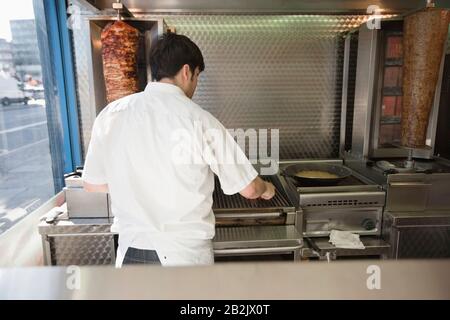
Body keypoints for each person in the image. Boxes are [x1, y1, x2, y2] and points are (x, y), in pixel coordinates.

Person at [82, 33, 275, 267]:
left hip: (130, 254)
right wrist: (267, 188)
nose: (195, 84)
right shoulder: (200, 120)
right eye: (196, 77)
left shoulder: (111, 115)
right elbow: (250, 189)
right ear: (187, 71)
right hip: (184, 257)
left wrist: (138, 182)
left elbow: (93, 184)